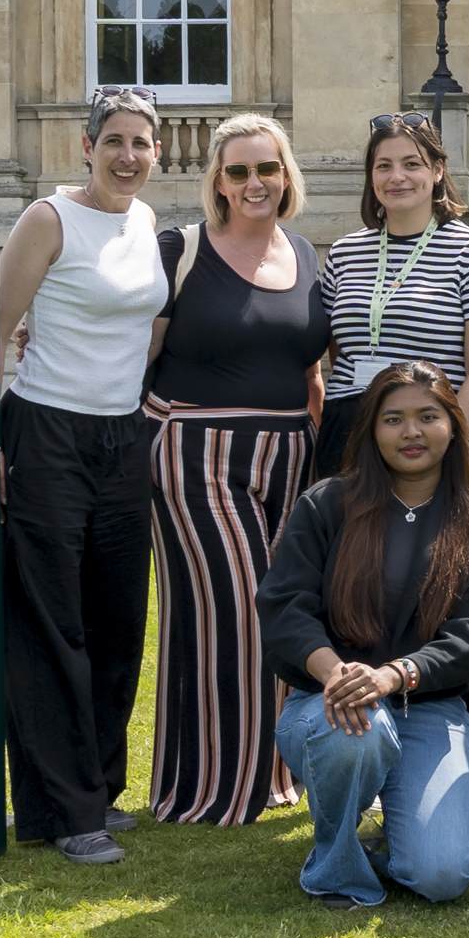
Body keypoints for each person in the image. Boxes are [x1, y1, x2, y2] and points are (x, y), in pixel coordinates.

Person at [315, 111, 469, 824]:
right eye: (383, 166)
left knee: (445, 598)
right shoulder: (344, 254)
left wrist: (445, 448)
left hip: (439, 439)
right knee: (354, 593)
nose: (396, 177)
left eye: (410, 163)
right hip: (351, 439)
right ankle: (358, 757)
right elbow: (335, 364)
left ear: (437, 172)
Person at [260, 362, 469, 908]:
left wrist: (391, 675)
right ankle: (335, 866)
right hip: (330, 704)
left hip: (428, 708)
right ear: (371, 430)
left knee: (444, 874)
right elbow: (285, 608)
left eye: (428, 417)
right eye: (393, 419)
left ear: (453, 426)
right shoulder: (327, 504)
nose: (411, 433)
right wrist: (338, 673)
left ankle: (390, 843)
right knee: (361, 729)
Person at [0, 87, 167, 865]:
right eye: (115, 141)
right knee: (51, 622)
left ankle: (97, 785)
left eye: (143, 142)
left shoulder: (145, 221)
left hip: (123, 436)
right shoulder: (48, 219)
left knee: (119, 620)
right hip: (48, 433)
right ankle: (67, 812)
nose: (128, 156)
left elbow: (140, 327)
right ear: (86, 147)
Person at [144, 112, 330, 827]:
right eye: (239, 171)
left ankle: (275, 774)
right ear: (217, 182)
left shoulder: (308, 254)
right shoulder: (182, 248)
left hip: (289, 453)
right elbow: (137, 350)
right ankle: (217, 787)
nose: (255, 183)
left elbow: (310, 365)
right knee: (239, 608)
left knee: (277, 606)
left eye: (268, 168)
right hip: (196, 449)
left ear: (287, 176)